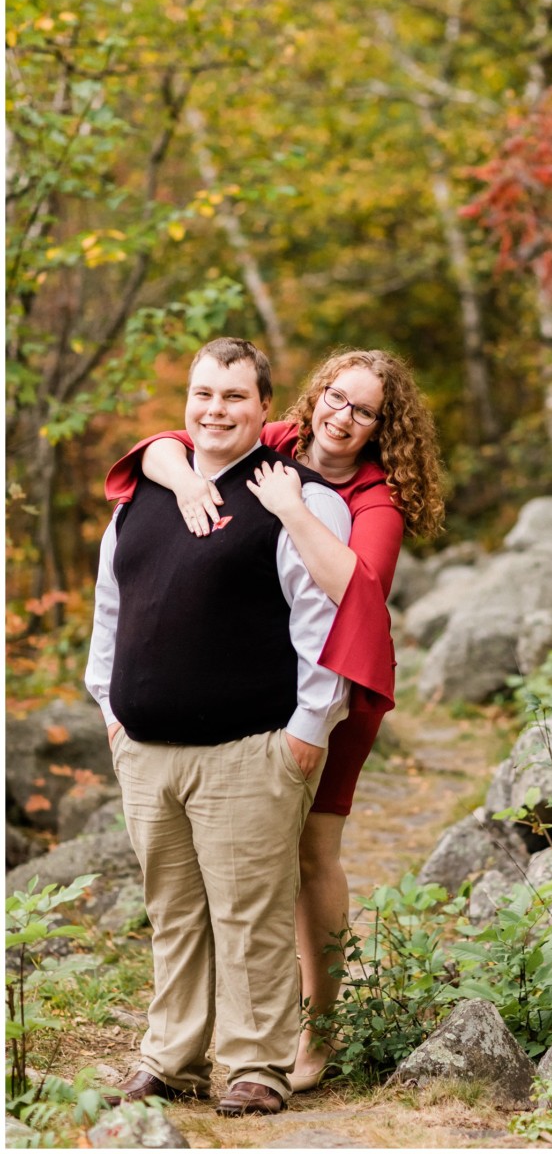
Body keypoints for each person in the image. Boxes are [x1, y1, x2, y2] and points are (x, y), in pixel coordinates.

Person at [104, 347, 445, 1090]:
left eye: (364, 410)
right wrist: (186, 477)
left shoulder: (370, 503)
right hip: (199, 713)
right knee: (190, 896)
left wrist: (305, 728)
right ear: (308, 400)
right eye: (336, 397)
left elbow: (352, 600)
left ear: (386, 429)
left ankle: (310, 1036)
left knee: (306, 860)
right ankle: (183, 1050)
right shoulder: (276, 441)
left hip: (333, 692)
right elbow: (171, 443)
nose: (343, 416)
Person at [86, 337, 352, 1116]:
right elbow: (112, 606)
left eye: (235, 396)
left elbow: (325, 626)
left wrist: (308, 730)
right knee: (172, 913)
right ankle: (170, 1055)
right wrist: (110, 708)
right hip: (146, 751)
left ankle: (255, 1067)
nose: (216, 409)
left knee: (249, 915)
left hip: (250, 749)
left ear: (265, 408)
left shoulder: (297, 496)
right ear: (187, 403)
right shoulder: (144, 493)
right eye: (204, 394)